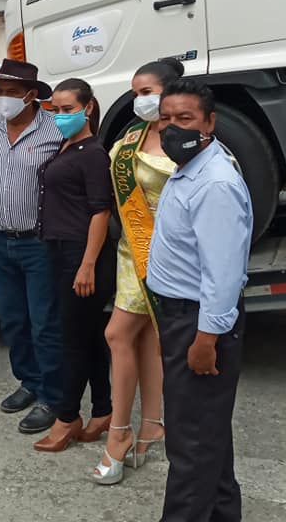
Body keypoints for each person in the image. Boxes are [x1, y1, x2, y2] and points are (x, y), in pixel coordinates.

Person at [146, 79, 253, 522]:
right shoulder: (190, 166)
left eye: (185, 118)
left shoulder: (215, 184)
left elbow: (222, 273)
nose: (172, 127)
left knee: (190, 443)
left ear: (209, 122)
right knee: (207, 435)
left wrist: (206, 338)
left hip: (197, 323)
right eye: (166, 118)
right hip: (181, 317)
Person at [94, 59, 184, 484]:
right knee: (144, 337)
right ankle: (151, 424)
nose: (139, 100)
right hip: (132, 249)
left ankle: (119, 433)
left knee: (117, 334)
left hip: (170, 253)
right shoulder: (131, 138)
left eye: (147, 92)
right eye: (135, 93)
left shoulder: (188, 140)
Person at [33, 78, 116, 453]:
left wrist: (87, 264)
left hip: (80, 253)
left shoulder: (93, 153)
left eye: (68, 109)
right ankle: (103, 409)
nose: (60, 116)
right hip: (60, 249)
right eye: (55, 110)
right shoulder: (68, 145)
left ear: (88, 108)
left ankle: (66, 416)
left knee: (72, 340)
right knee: (90, 334)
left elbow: (101, 211)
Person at [0, 59, 63, 434]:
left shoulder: (54, 131)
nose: (3, 98)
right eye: (0, 91)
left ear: (31, 95)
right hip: (1, 239)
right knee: (12, 319)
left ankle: (52, 395)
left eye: (12, 92)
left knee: (44, 322)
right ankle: (29, 381)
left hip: (38, 242)